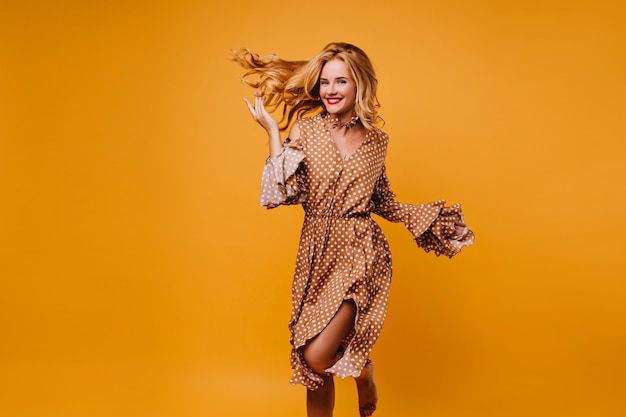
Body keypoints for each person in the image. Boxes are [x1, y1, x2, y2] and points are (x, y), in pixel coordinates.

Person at [233, 42, 474, 417]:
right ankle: (363, 370)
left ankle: (362, 373)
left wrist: (436, 224)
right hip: (317, 253)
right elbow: (280, 194)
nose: (330, 90)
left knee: (317, 355)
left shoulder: (378, 141)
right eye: (325, 82)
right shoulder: (307, 130)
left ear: (359, 85)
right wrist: (272, 134)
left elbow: (382, 200)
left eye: (340, 81)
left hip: (361, 254)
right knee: (312, 361)